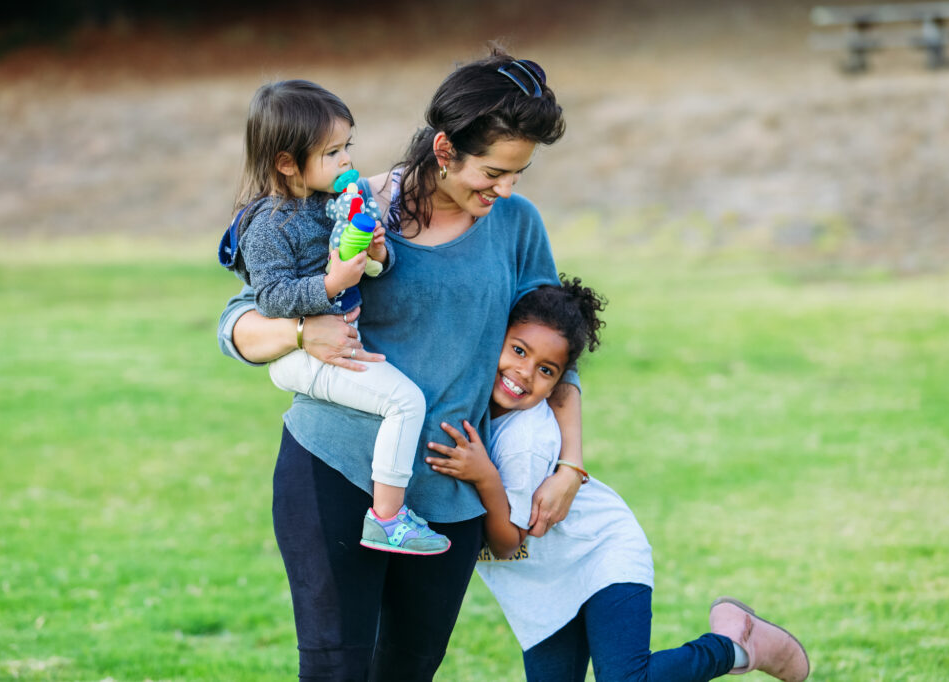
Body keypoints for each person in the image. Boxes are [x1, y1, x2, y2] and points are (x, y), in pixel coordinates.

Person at [216, 50, 583, 680]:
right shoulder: (354, 206)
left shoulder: (518, 226)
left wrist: (571, 464)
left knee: (407, 672)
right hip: (333, 469)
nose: (506, 189)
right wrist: (304, 331)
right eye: (494, 172)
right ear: (444, 150)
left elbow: (558, 353)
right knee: (337, 670)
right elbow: (238, 324)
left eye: (518, 174)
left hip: (452, 495)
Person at [426, 277, 811, 682]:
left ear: (561, 382)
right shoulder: (475, 406)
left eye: (545, 370)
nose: (523, 373)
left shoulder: (525, 441)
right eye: (518, 351)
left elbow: (506, 543)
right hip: (540, 587)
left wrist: (485, 476)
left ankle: (736, 646)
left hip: (600, 553)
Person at [218, 79, 449, 556]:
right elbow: (273, 297)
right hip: (298, 353)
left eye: (348, 147)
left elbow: (364, 268)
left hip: (336, 337)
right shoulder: (268, 225)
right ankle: (388, 519)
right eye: (331, 153)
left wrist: (376, 257)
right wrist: (331, 284)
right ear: (286, 162)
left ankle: (388, 511)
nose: (346, 161)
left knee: (400, 401)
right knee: (405, 402)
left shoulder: (334, 203)